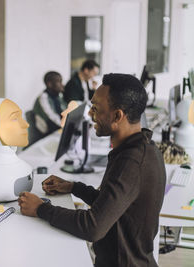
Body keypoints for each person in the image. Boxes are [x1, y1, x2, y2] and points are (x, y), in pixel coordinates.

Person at [18, 73, 166, 267]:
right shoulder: (142, 148)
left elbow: (92, 226)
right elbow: (112, 205)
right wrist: (73, 187)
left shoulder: (131, 162)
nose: (89, 114)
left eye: (96, 109)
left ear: (117, 115)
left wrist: (40, 208)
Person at [30, 71, 67, 142]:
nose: (62, 85)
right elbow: (52, 118)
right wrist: (66, 127)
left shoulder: (57, 96)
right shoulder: (43, 98)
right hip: (46, 136)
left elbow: (66, 111)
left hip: (57, 131)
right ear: (49, 84)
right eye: (59, 82)